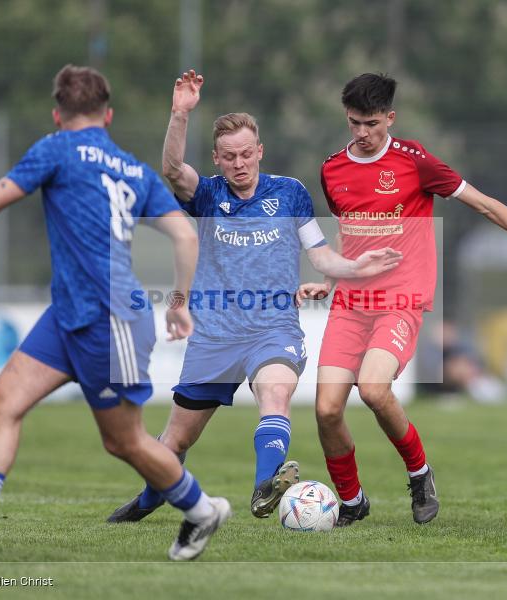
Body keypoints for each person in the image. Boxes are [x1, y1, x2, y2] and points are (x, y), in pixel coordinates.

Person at [0, 65, 230, 562]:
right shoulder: (132, 168)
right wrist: (179, 302)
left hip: (110, 318)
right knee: (3, 402)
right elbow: (184, 234)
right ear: (108, 116)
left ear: (57, 114)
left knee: (125, 442)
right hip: (70, 313)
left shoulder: (56, 148)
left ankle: (202, 510)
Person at [108, 70, 402, 523]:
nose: (239, 163)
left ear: (260, 151)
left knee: (275, 392)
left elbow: (321, 255)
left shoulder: (290, 194)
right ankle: (148, 499)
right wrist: (180, 114)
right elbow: (172, 170)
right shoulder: (207, 195)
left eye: (246, 154)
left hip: (272, 329)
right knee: (175, 442)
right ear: (217, 159)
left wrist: (356, 267)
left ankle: (265, 487)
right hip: (215, 335)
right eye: (229, 157)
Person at [297, 73, 507, 527]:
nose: (362, 132)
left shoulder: (415, 162)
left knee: (373, 389)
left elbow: (486, 205)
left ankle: (419, 473)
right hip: (350, 304)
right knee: (326, 409)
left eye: (372, 123)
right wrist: (329, 279)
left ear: (390, 118)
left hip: (400, 300)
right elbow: (349, 235)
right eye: (355, 123)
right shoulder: (332, 168)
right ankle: (352, 502)